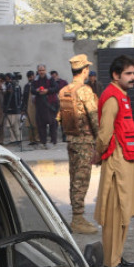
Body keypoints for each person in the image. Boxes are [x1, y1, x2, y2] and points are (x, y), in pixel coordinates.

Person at [95, 55, 134, 267]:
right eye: (128, 73)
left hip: (126, 161)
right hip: (118, 164)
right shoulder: (112, 97)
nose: (133, 77)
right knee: (116, 214)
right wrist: (98, 153)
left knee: (123, 213)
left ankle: (116, 255)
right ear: (116, 75)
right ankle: (111, 262)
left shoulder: (120, 95)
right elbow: (105, 133)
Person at [56, 53, 100, 235]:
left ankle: (76, 215)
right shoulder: (85, 90)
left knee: (74, 179)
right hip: (84, 142)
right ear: (85, 70)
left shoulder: (64, 90)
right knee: (82, 180)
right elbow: (94, 116)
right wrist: (100, 140)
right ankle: (78, 219)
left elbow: (59, 118)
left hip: (71, 140)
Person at [32, 64, 59, 147]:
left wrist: (47, 91)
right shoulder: (35, 80)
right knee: (40, 124)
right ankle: (43, 142)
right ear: (38, 71)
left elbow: (56, 88)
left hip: (50, 104)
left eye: (43, 70)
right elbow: (32, 90)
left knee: (52, 123)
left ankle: (53, 141)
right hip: (40, 105)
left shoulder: (50, 79)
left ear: (45, 70)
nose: (41, 72)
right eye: (40, 70)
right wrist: (37, 91)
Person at [1, 73, 23, 144]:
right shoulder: (6, 86)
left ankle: (18, 139)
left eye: (8, 78)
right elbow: (5, 95)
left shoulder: (16, 86)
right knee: (9, 125)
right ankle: (13, 139)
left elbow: (19, 97)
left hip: (15, 108)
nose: (7, 79)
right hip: (8, 108)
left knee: (16, 125)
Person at [22, 71, 39, 144]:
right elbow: (24, 97)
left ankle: (37, 139)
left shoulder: (36, 84)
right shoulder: (26, 86)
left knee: (36, 123)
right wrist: (23, 108)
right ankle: (31, 139)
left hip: (36, 106)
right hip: (29, 107)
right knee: (29, 123)